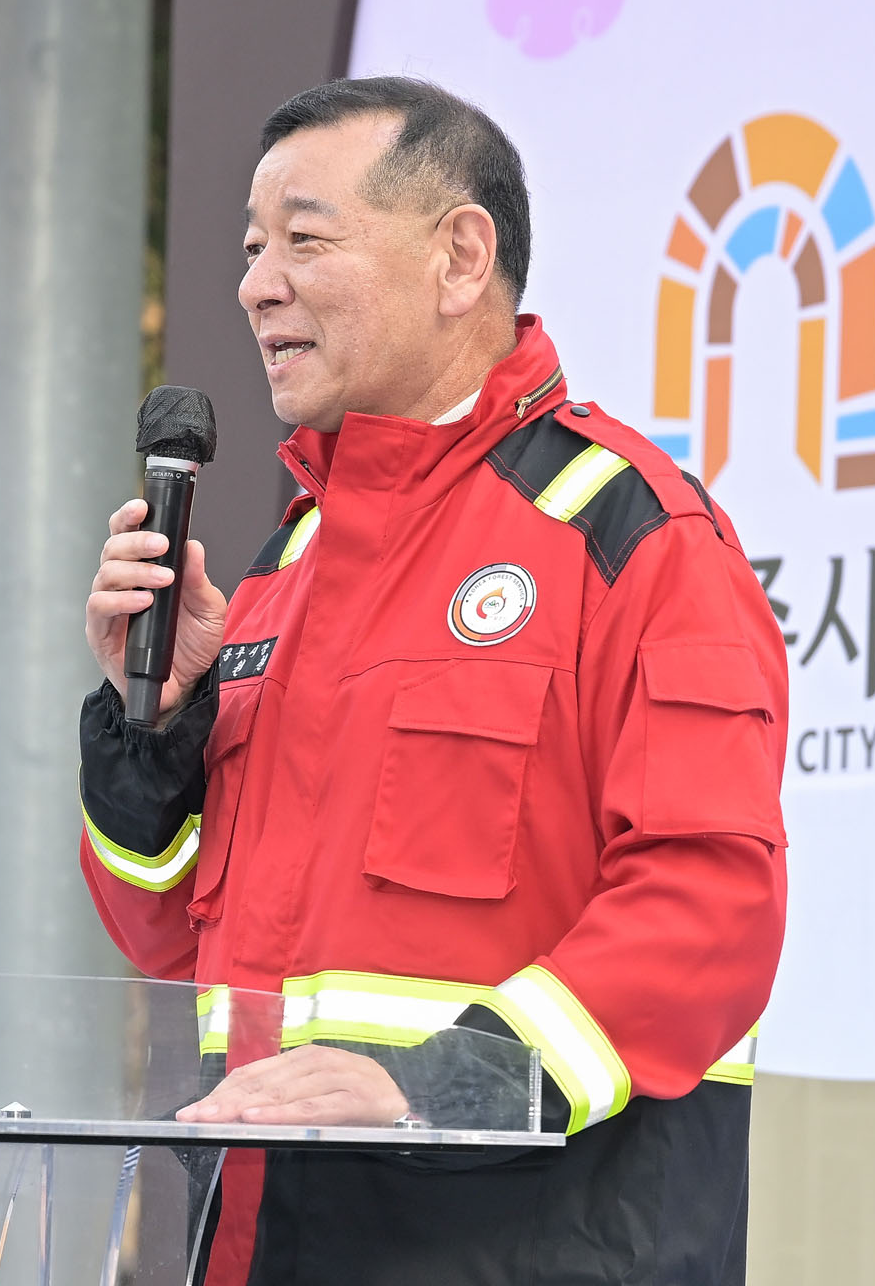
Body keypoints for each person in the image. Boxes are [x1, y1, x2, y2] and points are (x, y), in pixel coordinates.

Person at [78, 76, 789, 1286]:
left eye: (305, 239)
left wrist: (443, 1083)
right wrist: (156, 726)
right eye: (251, 249)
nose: (257, 284)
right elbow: (164, 932)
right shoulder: (284, 567)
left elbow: (710, 907)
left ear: (461, 256)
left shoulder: (631, 534)